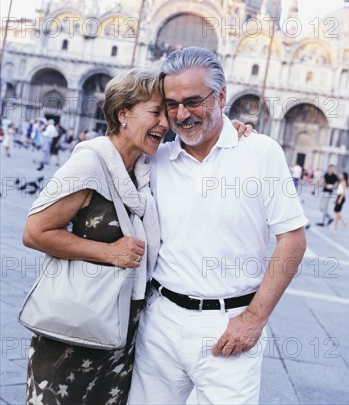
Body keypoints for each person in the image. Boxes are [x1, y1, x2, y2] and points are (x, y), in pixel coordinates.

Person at [128, 47, 308, 405]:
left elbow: (292, 240)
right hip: (159, 320)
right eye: (172, 103)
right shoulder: (156, 159)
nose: (182, 114)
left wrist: (255, 318)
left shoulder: (260, 152)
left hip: (229, 326)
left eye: (194, 101)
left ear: (221, 96)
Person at [22, 68, 168, 405]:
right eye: (156, 112)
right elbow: (35, 232)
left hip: (122, 332)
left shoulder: (142, 173)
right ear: (124, 114)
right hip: (73, 330)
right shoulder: (89, 165)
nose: (165, 123)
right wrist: (110, 253)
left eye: (167, 112)